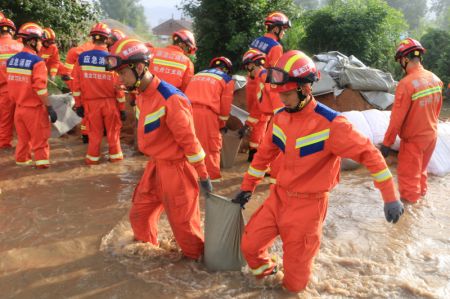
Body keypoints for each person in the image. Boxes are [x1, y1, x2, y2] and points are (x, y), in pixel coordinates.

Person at [232, 50, 404, 293]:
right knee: (250, 246)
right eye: (280, 94)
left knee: (295, 284)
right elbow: (262, 157)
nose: (282, 100)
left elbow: (370, 155)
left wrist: (390, 197)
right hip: (278, 197)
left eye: (288, 94)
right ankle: (268, 280)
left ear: (305, 89)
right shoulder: (280, 118)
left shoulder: (333, 124)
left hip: (309, 207)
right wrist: (246, 188)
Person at [106, 37, 212, 260]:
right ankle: (148, 257)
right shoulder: (143, 96)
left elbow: (190, 141)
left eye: (123, 72)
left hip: (178, 171)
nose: (120, 78)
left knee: (186, 232)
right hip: (155, 167)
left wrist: (203, 176)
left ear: (140, 67)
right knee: (139, 216)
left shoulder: (171, 98)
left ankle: (198, 273)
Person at [381, 38, 442, 204]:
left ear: (405, 59)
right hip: (431, 137)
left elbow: (396, 119)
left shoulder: (406, 84)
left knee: (408, 183)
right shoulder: (436, 79)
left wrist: (387, 144)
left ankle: (409, 221)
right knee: (421, 173)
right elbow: (437, 111)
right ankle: (421, 205)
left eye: (400, 60)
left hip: (413, 141)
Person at [72, 22, 125, 165]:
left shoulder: (82, 58)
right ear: (107, 39)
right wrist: (122, 109)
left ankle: (92, 161)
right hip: (110, 103)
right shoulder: (113, 60)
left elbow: (76, 85)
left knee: (94, 134)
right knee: (113, 134)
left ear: (92, 39)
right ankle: (116, 163)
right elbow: (119, 87)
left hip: (91, 103)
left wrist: (78, 105)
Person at [6, 22, 57, 168]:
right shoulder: (37, 62)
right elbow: (40, 90)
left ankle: (22, 165)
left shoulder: (11, 61)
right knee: (40, 142)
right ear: (32, 41)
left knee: (23, 141)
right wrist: (49, 107)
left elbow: (11, 84)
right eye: (41, 41)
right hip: (34, 110)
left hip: (19, 109)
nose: (42, 44)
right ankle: (42, 172)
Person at [185, 56, 235, 182]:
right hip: (206, 114)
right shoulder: (226, 79)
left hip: (186, 111)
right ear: (227, 70)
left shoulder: (197, 75)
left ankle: (189, 175)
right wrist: (222, 124)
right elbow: (225, 105)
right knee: (212, 145)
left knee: (189, 144)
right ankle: (212, 179)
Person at [241, 49, 284, 162]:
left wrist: (280, 115)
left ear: (251, 64)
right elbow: (258, 105)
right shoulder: (261, 76)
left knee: (272, 143)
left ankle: (270, 169)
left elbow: (275, 96)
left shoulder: (264, 76)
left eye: (246, 66)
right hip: (273, 115)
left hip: (278, 116)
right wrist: (247, 124)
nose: (246, 70)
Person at [61, 39, 95, 143]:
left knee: (84, 111)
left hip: (81, 86)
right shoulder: (105, 52)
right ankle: (90, 135)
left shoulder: (76, 51)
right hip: (93, 88)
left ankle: (86, 136)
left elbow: (67, 74)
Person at [0, 17, 22, 148]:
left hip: (3, 90)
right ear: (12, 31)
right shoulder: (20, 47)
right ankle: (24, 145)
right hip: (21, 89)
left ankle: (4, 143)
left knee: (4, 118)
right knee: (23, 118)